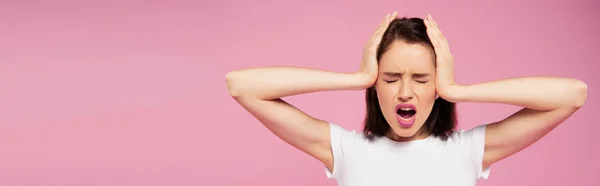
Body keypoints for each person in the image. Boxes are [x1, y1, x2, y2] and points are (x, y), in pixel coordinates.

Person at [224, 11, 588, 186]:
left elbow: (572, 95)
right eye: (391, 78)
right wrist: (355, 78)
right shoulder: (346, 149)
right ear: (376, 84)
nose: (405, 92)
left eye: (422, 79)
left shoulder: (467, 150)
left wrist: (459, 90)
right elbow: (242, 85)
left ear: (436, 86)